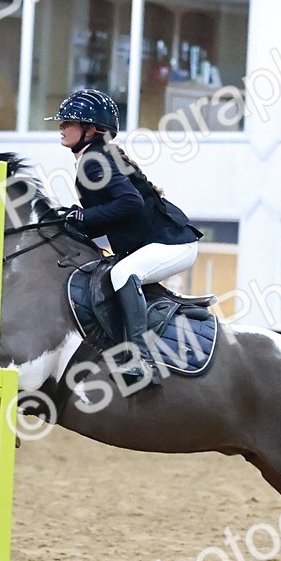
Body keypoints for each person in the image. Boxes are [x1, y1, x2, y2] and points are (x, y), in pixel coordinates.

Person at [47, 89, 202, 387]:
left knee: (122, 273)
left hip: (174, 244)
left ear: (91, 129)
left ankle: (140, 359)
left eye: (69, 122)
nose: (61, 127)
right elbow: (111, 217)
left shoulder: (94, 161)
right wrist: (70, 223)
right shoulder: (94, 157)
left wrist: (83, 217)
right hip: (160, 241)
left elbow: (131, 202)